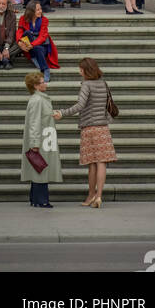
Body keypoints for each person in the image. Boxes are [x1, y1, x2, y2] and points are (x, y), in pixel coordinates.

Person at [54, 56, 116, 208]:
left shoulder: (86, 85)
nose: (79, 71)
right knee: (101, 163)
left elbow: (80, 105)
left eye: (80, 69)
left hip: (89, 128)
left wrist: (62, 113)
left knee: (91, 164)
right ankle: (99, 196)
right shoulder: (103, 83)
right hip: (103, 128)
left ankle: (90, 196)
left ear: (85, 70)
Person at [22, 69, 62, 208]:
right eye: (42, 82)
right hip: (42, 139)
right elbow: (34, 122)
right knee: (41, 169)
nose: (45, 83)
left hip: (45, 137)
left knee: (38, 168)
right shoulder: (38, 100)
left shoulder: (39, 99)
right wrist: (34, 142)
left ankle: (35, 198)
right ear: (36, 86)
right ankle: (41, 200)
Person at [17, 0, 59, 82]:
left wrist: (32, 45)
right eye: (38, 10)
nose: (41, 11)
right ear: (31, 11)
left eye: (40, 9)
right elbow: (19, 31)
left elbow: (42, 37)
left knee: (38, 48)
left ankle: (45, 69)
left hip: (42, 46)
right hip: (28, 45)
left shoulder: (44, 20)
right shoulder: (23, 18)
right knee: (27, 32)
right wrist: (19, 42)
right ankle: (35, 57)